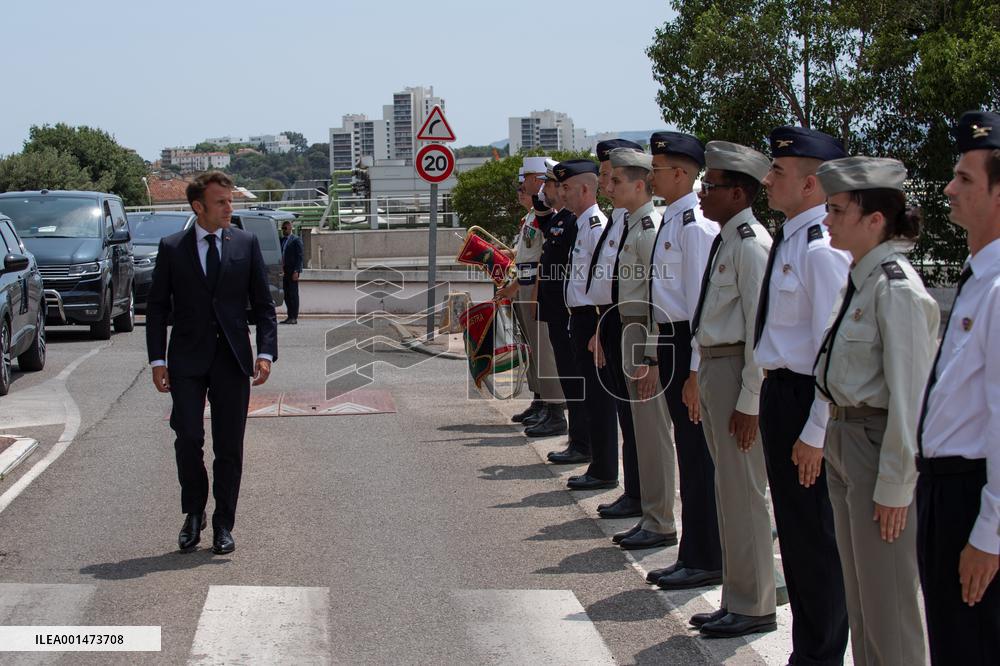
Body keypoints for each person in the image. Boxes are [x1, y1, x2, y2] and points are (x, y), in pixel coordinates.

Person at [813, 156, 936, 666]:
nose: (827, 219)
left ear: (875, 219)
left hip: (875, 446)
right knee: (863, 601)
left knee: (890, 606)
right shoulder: (861, 279)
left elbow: (911, 403)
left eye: (838, 210)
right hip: (846, 440)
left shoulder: (897, 288)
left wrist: (894, 486)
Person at [755, 126, 850, 665]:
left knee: (816, 541)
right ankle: (809, 650)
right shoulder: (793, 235)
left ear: (812, 184)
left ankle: (821, 655)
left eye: (779, 172)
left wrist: (816, 430)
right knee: (795, 535)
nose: (768, 179)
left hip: (805, 404)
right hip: (781, 394)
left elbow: (831, 351)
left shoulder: (822, 249)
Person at [146, 171, 278, 555]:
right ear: (198, 206)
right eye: (221, 202)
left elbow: (265, 306)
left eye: (230, 201)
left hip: (233, 360)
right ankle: (193, 514)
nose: (229, 208)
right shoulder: (172, 248)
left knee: (229, 447)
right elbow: (156, 308)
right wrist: (157, 359)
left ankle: (223, 523)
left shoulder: (246, 243)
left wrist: (266, 353)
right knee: (187, 438)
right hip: (186, 360)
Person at [917, 110, 1000, 665]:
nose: (948, 187)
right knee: (950, 641)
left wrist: (989, 534)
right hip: (948, 491)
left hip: (973, 496)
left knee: (971, 646)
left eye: (965, 179)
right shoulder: (980, 276)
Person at [685, 141, 777, 638]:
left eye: (712, 185)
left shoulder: (751, 245)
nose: (703, 192)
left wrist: (749, 401)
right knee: (729, 490)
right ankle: (737, 596)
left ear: (738, 194)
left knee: (744, 492)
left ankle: (755, 602)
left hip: (738, 373)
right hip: (718, 368)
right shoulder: (727, 240)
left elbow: (759, 333)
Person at [645, 131, 723, 588]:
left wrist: (694, 370)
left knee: (697, 456)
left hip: (688, 342)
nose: (652, 176)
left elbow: (699, 306)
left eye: (657, 170)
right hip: (671, 339)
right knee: (689, 453)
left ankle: (707, 556)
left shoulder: (695, 225)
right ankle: (693, 551)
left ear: (680, 173)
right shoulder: (673, 219)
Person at [598, 147, 676, 550]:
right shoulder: (630, 226)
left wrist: (650, 354)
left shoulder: (649, 230)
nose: (608, 187)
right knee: (640, 432)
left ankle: (661, 518)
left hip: (642, 333)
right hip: (628, 329)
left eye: (617, 181)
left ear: (640, 185)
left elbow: (656, 299)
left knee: (651, 430)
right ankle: (651, 513)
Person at [589, 139, 644, 520]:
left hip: (633, 327)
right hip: (612, 321)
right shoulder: (619, 219)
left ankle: (642, 497)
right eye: (605, 177)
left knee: (640, 422)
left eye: (612, 177)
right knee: (628, 418)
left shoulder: (639, 222)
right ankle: (636, 493)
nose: (606, 186)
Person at [556, 159, 620, 491]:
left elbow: (603, 283)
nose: (560, 193)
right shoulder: (581, 224)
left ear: (584, 189)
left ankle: (604, 468)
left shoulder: (595, 225)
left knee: (599, 398)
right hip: (580, 319)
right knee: (589, 396)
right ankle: (597, 463)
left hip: (592, 318)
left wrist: (598, 328)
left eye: (566, 187)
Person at [531, 157, 592, 464]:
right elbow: (541, 213)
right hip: (557, 309)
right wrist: (543, 192)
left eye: (555, 184)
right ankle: (578, 441)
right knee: (569, 379)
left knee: (576, 379)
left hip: (568, 312)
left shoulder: (575, 221)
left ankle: (583, 443)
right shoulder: (560, 218)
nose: (552, 190)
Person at [497, 172, 567, 436]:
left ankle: (553, 408)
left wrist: (517, 288)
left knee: (544, 351)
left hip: (534, 287)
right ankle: (542, 401)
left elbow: (541, 260)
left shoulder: (546, 217)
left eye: (524, 183)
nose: (520, 190)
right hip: (526, 286)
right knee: (534, 350)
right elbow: (526, 254)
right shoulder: (531, 218)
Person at [280, 220, 303, 325]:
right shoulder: (282, 240)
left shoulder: (296, 240)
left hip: (292, 271)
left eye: (285, 228)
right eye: (282, 228)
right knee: (286, 294)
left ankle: (294, 317)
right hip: (284, 271)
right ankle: (290, 316)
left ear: (290, 228)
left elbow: (300, 256)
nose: (283, 230)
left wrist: (296, 271)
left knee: (293, 294)